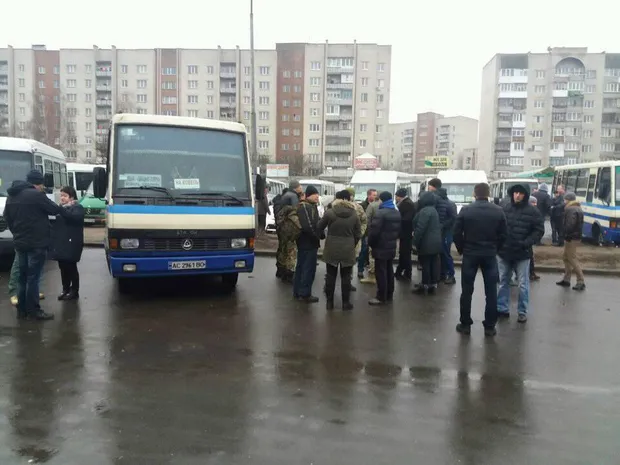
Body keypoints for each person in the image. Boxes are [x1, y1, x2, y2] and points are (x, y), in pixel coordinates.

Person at [3, 170, 65, 320]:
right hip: (37, 243)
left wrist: (16, 232)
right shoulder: (37, 195)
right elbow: (54, 209)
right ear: (38, 184)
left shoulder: (12, 195)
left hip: (20, 242)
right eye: (42, 185)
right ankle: (34, 310)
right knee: (33, 277)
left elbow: (7, 217)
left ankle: (22, 310)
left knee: (22, 277)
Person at [453, 183, 507, 336]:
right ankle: (489, 326)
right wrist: (496, 249)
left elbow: (456, 232)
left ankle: (465, 324)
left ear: (474, 194)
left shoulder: (466, 210)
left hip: (470, 253)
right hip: (489, 254)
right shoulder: (498, 211)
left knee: (467, 290)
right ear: (488, 193)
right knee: (491, 292)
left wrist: (461, 248)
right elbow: (504, 234)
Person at [497, 183, 545, 323]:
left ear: (525, 195)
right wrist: (499, 244)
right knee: (503, 282)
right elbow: (498, 227)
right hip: (504, 252)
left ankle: (522, 311)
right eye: (515, 192)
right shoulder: (504, 209)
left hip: (522, 254)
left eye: (521, 193)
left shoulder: (533, 212)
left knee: (523, 284)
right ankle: (502, 308)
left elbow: (538, 231)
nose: (517, 195)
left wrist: (526, 243)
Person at [318, 190, 361, 311]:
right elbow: (358, 233)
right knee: (346, 276)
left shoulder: (330, 212)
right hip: (348, 248)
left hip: (332, 247)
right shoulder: (354, 214)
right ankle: (345, 303)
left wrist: (325, 237)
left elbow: (319, 227)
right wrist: (352, 243)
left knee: (330, 275)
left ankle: (329, 302)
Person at [49, 186, 85, 300]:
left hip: (72, 243)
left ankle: (74, 291)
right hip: (61, 242)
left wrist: (60, 210)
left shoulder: (77, 208)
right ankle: (65, 289)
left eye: (65, 196)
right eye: (61, 196)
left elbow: (73, 218)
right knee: (62, 267)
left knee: (71, 267)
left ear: (71, 197)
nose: (62, 198)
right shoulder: (60, 209)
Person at [367, 191, 401, 305]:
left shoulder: (380, 213)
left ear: (382, 200)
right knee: (389, 270)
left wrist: (371, 243)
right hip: (391, 246)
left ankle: (381, 296)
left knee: (380, 272)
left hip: (380, 247)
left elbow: (374, 232)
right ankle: (389, 294)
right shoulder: (396, 212)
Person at [293, 185, 322, 303]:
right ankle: (304, 294)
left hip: (307, 242)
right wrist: (317, 236)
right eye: (315, 194)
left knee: (302, 267)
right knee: (307, 269)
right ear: (309, 195)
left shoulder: (311, 206)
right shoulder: (305, 207)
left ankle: (298, 292)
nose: (317, 197)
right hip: (307, 243)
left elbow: (317, 223)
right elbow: (308, 226)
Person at [412, 192, 443, 295]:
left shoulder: (425, 211)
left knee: (425, 264)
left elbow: (420, 228)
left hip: (426, 242)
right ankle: (432, 285)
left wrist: (414, 242)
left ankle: (424, 285)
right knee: (433, 263)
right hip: (436, 241)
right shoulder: (434, 210)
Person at [426, 178, 456, 284]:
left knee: (446, 254)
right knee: (441, 254)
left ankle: (451, 275)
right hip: (441, 231)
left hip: (446, 232)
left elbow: (453, 218)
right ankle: (443, 274)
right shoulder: (442, 200)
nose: (428, 188)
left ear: (433, 187)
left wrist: (441, 225)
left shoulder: (446, 203)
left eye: (429, 186)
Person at [274, 181, 303, 282]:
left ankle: (280, 270)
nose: (301, 188)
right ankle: (288, 274)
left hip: (282, 226)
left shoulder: (286, 195)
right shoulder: (293, 196)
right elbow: (296, 211)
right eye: (300, 186)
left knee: (282, 249)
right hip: (289, 228)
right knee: (291, 250)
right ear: (296, 188)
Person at [556, 192, 585, 291]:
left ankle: (580, 281)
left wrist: (565, 234)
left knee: (572, 258)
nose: (564, 201)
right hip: (576, 237)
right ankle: (566, 279)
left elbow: (570, 224)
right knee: (566, 257)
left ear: (568, 199)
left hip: (571, 237)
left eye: (565, 199)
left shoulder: (570, 209)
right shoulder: (578, 208)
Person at [394, 188, 416, 281]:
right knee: (403, 253)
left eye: (396, 196)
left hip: (406, 233)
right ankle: (400, 271)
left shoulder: (407, 204)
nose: (396, 198)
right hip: (405, 233)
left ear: (400, 196)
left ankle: (407, 273)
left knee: (405, 253)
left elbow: (406, 219)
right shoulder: (407, 202)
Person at [360, 195, 381, 285]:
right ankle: (379, 275)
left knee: (370, 253)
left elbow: (366, 220)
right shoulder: (391, 207)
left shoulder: (372, 205)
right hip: (384, 236)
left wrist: (366, 232)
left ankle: (371, 276)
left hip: (371, 233)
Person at [357, 189, 377, 279]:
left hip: (375, 232)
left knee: (374, 252)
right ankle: (360, 270)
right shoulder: (362, 205)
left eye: (376, 195)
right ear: (368, 195)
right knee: (364, 250)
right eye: (373, 195)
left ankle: (372, 268)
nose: (375, 196)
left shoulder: (377, 205)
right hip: (366, 232)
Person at [528, 196, 541, 281]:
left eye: (536, 202)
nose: (535, 204)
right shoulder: (530, 212)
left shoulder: (533, 211)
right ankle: (531, 273)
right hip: (527, 240)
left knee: (530, 257)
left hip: (528, 240)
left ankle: (532, 273)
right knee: (529, 257)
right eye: (533, 202)